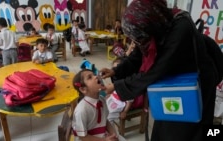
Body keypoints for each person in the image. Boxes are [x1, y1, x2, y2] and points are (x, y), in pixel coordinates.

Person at [100, 0, 218, 141]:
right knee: (166, 123)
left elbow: (156, 72)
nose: (139, 43)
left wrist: (116, 86)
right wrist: (116, 71)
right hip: (172, 85)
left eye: (140, 39)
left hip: (194, 87)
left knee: (191, 129)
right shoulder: (153, 27)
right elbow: (138, 54)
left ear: (150, 27)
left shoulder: (181, 28)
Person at [72, 69, 125, 141]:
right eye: (90, 77)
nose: (96, 77)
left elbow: (105, 120)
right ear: (83, 89)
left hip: (103, 136)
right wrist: (105, 140)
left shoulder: (102, 100)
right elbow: (83, 137)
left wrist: (114, 135)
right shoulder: (81, 110)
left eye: (94, 74)